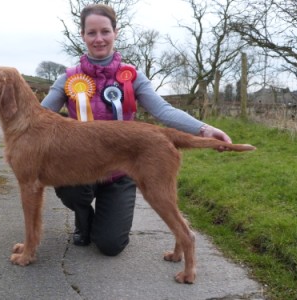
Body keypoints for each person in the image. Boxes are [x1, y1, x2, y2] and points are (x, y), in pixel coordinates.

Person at [41, 3, 232, 256]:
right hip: (82, 167)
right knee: (69, 187)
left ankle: (103, 223)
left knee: (110, 245)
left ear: (115, 33)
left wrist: (204, 129)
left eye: (105, 31)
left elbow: (163, 111)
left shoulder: (131, 76)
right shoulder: (68, 78)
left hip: (120, 170)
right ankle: (83, 216)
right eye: (92, 33)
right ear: (83, 36)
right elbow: (39, 117)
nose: (99, 39)